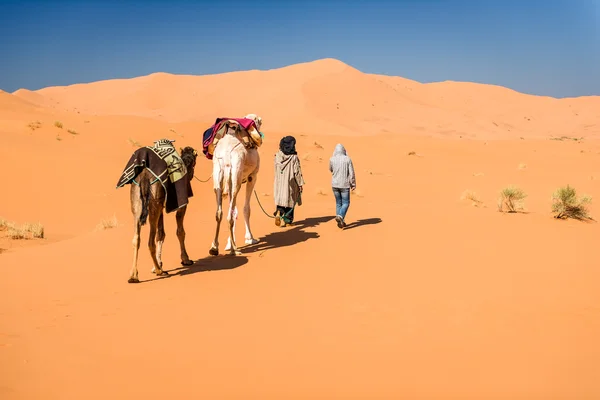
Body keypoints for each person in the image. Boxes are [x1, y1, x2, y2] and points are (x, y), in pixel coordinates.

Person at [273, 136, 305, 227]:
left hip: (279, 182)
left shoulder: (277, 156)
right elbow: (297, 172)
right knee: (290, 200)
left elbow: (275, 169)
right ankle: (287, 221)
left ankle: (279, 212)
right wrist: (300, 183)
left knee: (281, 199)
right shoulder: (294, 157)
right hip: (291, 182)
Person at [329, 143, 356, 228]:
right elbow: (351, 173)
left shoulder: (331, 159)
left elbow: (330, 169)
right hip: (344, 185)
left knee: (338, 203)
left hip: (335, 184)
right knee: (346, 203)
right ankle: (340, 216)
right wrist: (353, 184)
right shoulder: (347, 159)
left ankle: (340, 221)